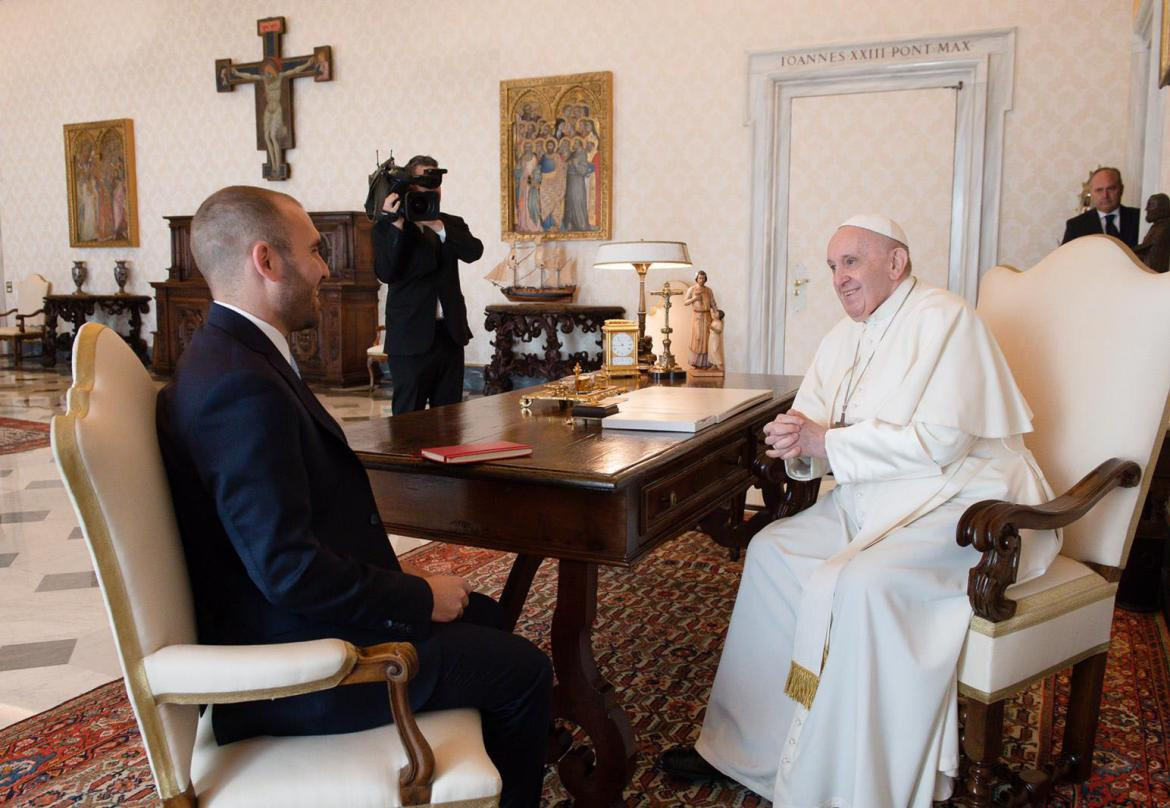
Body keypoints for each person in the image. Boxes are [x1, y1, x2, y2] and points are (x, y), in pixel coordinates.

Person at [156, 186, 550, 808]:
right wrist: (418, 595)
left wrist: (419, 594)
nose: (326, 269)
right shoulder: (240, 386)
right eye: (315, 252)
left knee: (487, 617)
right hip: (294, 665)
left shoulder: (232, 356)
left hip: (292, 618)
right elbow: (288, 571)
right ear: (267, 260)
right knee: (525, 672)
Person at [660, 214, 1058, 805]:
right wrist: (797, 446)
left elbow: (941, 443)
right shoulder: (840, 339)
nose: (839, 278)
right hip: (871, 501)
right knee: (772, 551)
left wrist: (827, 443)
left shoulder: (944, 318)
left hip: (962, 501)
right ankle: (745, 749)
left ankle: (855, 780)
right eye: (831, 267)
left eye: (851, 262)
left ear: (895, 262)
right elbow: (816, 441)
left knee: (865, 582)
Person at [372, 155, 483, 415]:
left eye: (437, 182)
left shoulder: (450, 223)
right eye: (425, 182)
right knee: (408, 420)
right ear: (409, 186)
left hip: (449, 335)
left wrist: (437, 226)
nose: (432, 188)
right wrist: (397, 226)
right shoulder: (387, 226)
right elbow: (386, 273)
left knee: (450, 418)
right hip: (410, 337)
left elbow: (473, 252)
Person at [1061, 166, 1139, 248]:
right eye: (1099, 190)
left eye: (1111, 189)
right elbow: (1066, 259)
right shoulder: (1076, 226)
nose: (1105, 195)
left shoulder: (1139, 218)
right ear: (1091, 192)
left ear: (1121, 189)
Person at [682, 270, 717, 368]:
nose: (701, 280)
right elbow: (685, 302)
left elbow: (713, 302)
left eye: (703, 278)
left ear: (706, 279)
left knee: (706, 339)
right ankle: (696, 362)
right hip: (697, 316)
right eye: (699, 278)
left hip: (707, 316)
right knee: (697, 338)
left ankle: (706, 363)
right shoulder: (692, 289)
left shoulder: (709, 290)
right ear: (696, 279)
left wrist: (715, 311)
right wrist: (694, 299)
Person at [1133, 192, 1170, 273]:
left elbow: (1146, 247)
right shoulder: (1158, 225)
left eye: (1151, 205)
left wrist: (1125, 251)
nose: (1146, 209)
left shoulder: (1163, 227)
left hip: (1154, 274)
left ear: (1163, 208)